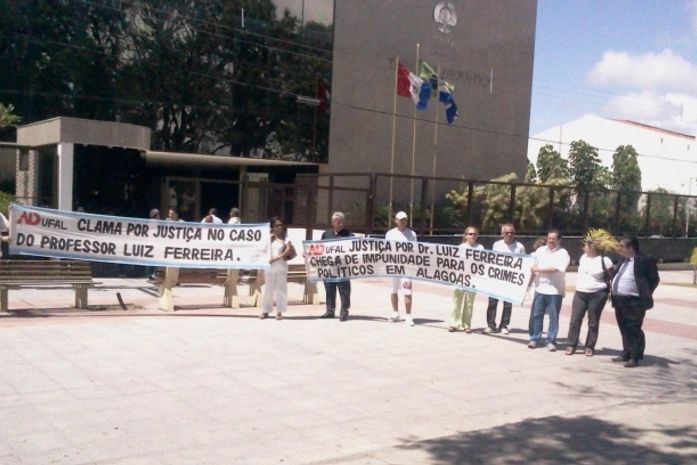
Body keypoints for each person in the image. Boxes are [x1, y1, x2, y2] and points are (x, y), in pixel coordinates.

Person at [610, 235, 660, 368]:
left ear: (630, 248)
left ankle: (635, 356)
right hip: (620, 300)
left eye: (621, 246)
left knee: (634, 329)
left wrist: (645, 293)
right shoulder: (623, 260)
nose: (619, 249)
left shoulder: (644, 260)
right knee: (624, 328)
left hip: (634, 301)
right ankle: (626, 352)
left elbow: (654, 279)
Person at [565, 231, 616, 356]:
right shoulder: (583, 258)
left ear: (592, 248)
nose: (584, 248)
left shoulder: (605, 260)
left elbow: (612, 277)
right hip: (580, 293)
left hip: (597, 294)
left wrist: (610, 292)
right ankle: (571, 344)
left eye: (586, 246)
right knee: (575, 320)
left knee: (593, 321)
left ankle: (590, 346)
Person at [528, 229, 570, 351]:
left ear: (559, 240)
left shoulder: (563, 253)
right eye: (549, 238)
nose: (551, 240)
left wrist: (538, 269)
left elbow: (554, 269)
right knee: (536, 315)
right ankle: (535, 338)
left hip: (554, 291)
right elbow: (530, 263)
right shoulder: (540, 251)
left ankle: (551, 341)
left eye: (554, 238)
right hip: (540, 288)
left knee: (553, 317)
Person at [485, 223, 526, 334]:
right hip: (496, 279)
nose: (509, 234)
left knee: (508, 304)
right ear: (502, 234)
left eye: (511, 232)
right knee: (492, 303)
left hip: (510, 280)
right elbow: (492, 260)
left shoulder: (520, 247)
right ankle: (491, 325)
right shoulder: (497, 245)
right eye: (507, 232)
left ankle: (504, 325)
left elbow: (524, 263)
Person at [319, 211, 354, 321]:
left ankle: (344, 311)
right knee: (329, 290)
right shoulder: (326, 234)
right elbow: (319, 248)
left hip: (343, 269)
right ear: (333, 222)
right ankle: (330, 311)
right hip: (329, 268)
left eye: (343, 222)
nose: (341, 224)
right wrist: (309, 254)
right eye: (338, 222)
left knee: (344, 291)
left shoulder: (349, 235)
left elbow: (355, 250)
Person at [448, 226, 483, 333]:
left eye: (474, 234)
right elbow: (455, 263)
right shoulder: (461, 247)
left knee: (469, 303)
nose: (472, 236)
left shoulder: (480, 248)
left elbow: (482, 264)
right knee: (456, 301)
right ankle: (454, 323)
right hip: (460, 278)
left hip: (473, 279)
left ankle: (466, 324)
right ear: (466, 236)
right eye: (470, 234)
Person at [385, 211, 417, 326]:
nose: (403, 222)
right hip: (394, 266)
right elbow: (386, 249)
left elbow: (415, 249)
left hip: (407, 267)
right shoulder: (390, 234)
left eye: (405, 219)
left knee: (407, 291)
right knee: (393, 290)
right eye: (400, 219)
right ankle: (395, 312)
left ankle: (408, 315)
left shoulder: (412, 234)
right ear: (396, 221)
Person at [260, 217, 293, 320]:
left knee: (281, 288)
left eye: (280, 225)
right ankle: (265, 310)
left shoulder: (285, 236)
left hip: (281, 266)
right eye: (277, 225)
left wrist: (277, 257)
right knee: (268, 288)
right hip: (269, 266)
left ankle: (280, 311)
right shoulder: (268, 238)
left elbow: (288, 249)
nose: (279, 227)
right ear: (272, 227)